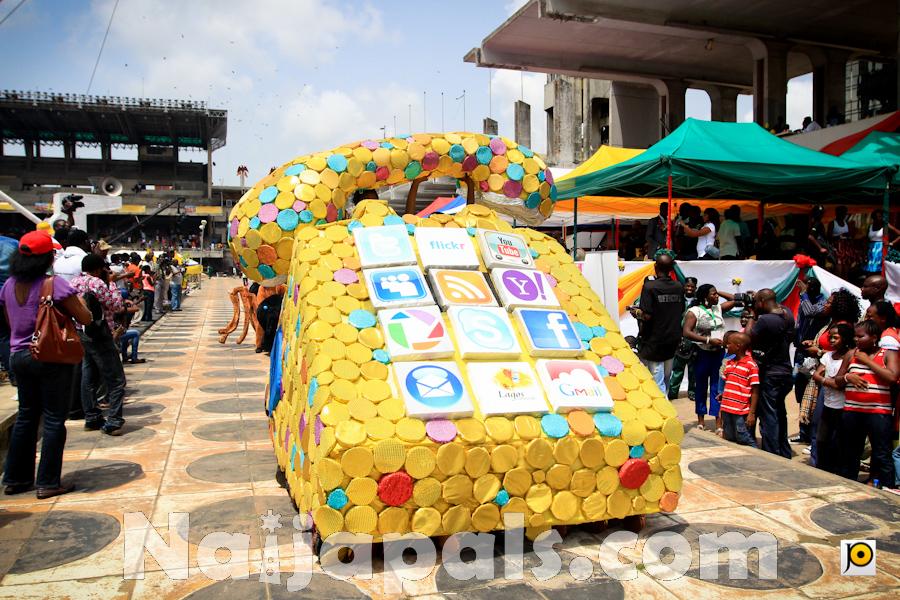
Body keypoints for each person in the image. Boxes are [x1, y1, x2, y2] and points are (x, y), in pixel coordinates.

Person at [0, 231, 91, 498]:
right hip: (51, 355)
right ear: (47, 258)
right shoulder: (54, 285)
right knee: (53, 419)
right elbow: (83, 316)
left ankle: (16, 478)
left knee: (27, 416)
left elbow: (9, 322)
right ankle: (48, 481)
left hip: (18, 355)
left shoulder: (8, 286)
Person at [798, 288, 861, 459]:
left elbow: (842, 351)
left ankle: (821, 458)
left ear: (838, 306)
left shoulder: (844, 327)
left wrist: (818, 352)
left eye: (828, 303)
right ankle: (817, 455)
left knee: (824, 421)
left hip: (830, 375)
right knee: (818, 419)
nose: (825, 305)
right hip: (822, 372)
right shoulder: (830, 323)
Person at [837, 320, 899, 488]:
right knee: (850, 451)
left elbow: (892, 377)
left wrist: (867, 361)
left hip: (878, 413)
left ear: (873, 337)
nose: (856, 340)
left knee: (881, 453)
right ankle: (847, 485)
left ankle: (887, 489)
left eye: (860, 336)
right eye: (855, 336)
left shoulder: (887, 354)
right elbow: (837, 379)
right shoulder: (851, 354)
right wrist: (848, 378)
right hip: (852, 411)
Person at [73, 254, 127, 436]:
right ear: (98, 269)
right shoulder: (97, 283)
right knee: (116, 378)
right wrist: (111, 283)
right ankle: (113, 420)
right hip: (100, 334)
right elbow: (116, 305)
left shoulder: (74, 282)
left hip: (82, 332)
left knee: (88, 375)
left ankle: (91, 416)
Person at [681, 283, 747, 431]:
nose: (716, 296)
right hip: (702, 353)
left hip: (719, 354)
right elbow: (686, 332)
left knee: (718, 387)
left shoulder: (718, 309)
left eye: (717, 294)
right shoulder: (694, 311)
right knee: (701, 387)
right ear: (705, 297)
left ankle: (718, 422)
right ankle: (701, 420)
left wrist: (719, 291)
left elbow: (737, 301)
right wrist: (708, 340)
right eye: (713, 294)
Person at [747, 289, 796, 458]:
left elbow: (747, 338)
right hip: (785, 372)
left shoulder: (765, 320)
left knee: (769, 416)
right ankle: (784, 451)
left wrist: (753, 314)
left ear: (760, 301)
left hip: (770, 372)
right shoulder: (788, 314)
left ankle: (772, 454)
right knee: (780, 412)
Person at [632, 251, 685, 395]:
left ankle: (664, 413)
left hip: (654, 340)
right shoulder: (678, 287)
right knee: (666, 378)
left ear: (655, 267)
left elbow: (647, 316)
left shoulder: (650, 287)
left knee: (657, 381)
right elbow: (681, 311)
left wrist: (636, 312)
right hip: (673, 339)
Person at [810, 324, 854, 473]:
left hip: (843, 405)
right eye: (830, 337)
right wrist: (825, 380)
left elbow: (837, 384)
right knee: (822, 439)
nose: (832, 340)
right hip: (828, 404)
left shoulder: (850, 357)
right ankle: (822, 469)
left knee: (839, 442)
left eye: (836, 337)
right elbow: (817, 374)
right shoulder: (827, 356)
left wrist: (823, 380)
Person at [791, 278, 829, 444]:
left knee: (812, 394)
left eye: (809, 286)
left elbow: (810, 312)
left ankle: (813, 435)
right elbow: (801, 320)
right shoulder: (804, 301)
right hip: (801, 352)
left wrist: (804, 294)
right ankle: (803, 432)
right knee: (800, 391)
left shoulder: (822, 303)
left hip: (814, 355)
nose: (806, 289)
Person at [718, 332, 759, 447]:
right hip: (727, 409)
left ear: (738, 346)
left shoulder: (751, 365)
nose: (727, 346)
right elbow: (729, 384)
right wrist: (723, 399)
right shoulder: (729, 363)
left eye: (729, 343)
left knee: (745, 438)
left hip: (741, 412)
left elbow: (755, 390)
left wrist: (751, 413)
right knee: (730, 438)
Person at [667, 277, 698, 401]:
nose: (689, 288)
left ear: (695, 288)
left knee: (693, 369)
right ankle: (673, 393)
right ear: (683, 286)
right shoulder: (677, 299)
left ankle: (692, 392)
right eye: (687, 286)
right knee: (677, 369)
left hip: (695, 338)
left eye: (692, 287)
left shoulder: (698, 301)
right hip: (679, 338)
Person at [829, 206, 856, 279]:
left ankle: (845, 287)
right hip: (837, 248)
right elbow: (829, 237)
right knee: (838, 269)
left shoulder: (846, 223)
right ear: (837, 213)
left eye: (844, 213)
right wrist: (839, 236)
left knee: (846, 270)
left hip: (846, 248)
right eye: (842, 213)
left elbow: (851, 235)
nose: (843, 215)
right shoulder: (832, 223)